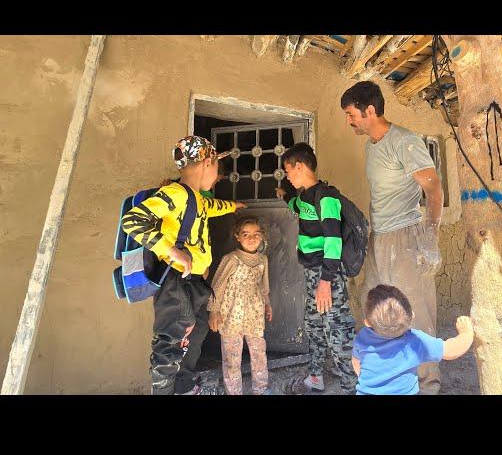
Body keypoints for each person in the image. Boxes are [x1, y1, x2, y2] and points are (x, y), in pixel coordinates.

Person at [341, 81, 444, 394]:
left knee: (415, 312)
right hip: (380, 237)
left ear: (370, 110)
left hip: (405, 236)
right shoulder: (371, 145)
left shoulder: (405, 141)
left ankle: (427, 385)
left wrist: (430, 233)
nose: (349, 121)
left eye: (351, 114)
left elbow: (434, 188)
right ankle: (386, 375)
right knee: (375, 306)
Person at [121, 135, 245, 395]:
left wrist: (232, 206)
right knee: (170, 345)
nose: (217, 173)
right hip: (175, 281)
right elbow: (133, 221)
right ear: (206, 162)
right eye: (216, 165)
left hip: (194, 281)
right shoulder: (176, 193)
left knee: (195, 334)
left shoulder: (196, 198)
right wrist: (172, 251)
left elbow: (211, 207)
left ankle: (184, 387)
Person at [275, 142, 358, 395]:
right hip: (312, 273)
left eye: (288, 170)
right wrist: (284, 196)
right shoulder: (303, 197)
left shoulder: (327, 197)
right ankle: (316, 376)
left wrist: (326, 281)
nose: (287, 176)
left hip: (326, 273)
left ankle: (350, 386)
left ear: (299, 166)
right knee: (313, 325)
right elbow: (295, 206)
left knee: (337, 328)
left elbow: (333, 240)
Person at [352, 284, 474, 395]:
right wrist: (466, 333)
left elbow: (357, 363)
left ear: (367, 323)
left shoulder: (362, 337)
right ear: (412, 316)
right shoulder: (414, 341)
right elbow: (452, 351)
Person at [208, 216, 272, 395]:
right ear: (237, 236)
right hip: (230, 317)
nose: (252, 238)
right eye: (246, 234)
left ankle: (260, 389)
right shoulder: (231, 259)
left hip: (255, 314)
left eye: (256, 234)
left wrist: (267, 304)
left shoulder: (262, 260)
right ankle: (234, 392)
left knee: (259, 354)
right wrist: (214, 311)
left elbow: (264, 285)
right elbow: (217, 286)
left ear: (262, 237)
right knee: (231, 359)